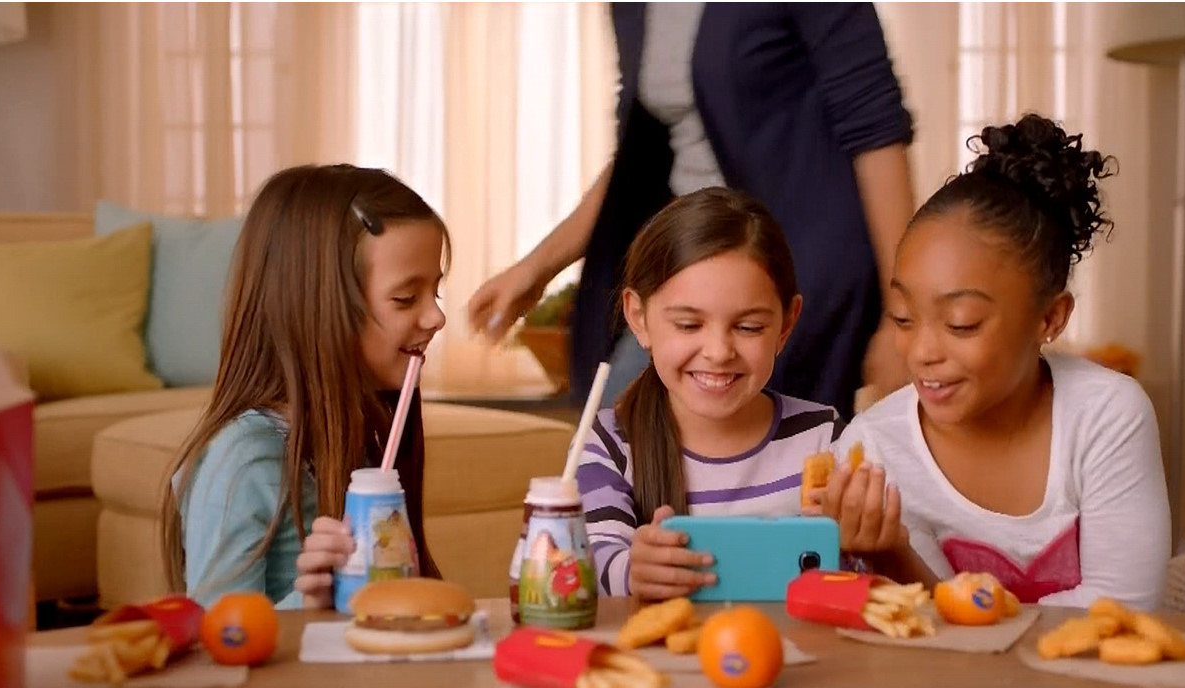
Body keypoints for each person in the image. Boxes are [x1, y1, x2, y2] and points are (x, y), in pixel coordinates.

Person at [467, 3, 916, 419]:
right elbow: (639, 156)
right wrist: (536, 268)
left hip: (798, 273)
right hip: (690, 263)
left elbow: (876, 133)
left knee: (779, 452)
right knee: (617, 434)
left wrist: (903, 314)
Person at [822, 114, 1172, 610]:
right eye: (903, 318)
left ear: (1049, 318)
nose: (921, 352)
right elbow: (934, 630)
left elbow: (1123, 607)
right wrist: (891, 555)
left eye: (961, 323)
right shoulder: (874, 451)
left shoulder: (1106, 416)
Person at [160, 164, 449, 608]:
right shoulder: (243, 462)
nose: (436, 317)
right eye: (406, 298)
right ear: (317, 308)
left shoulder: (359, 438)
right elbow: (218, 637)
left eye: (436, 293)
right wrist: (310, 603)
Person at [578, 187, 873, 602]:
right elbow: (583, 565)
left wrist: (859, 548)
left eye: (748, 327)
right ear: (639, 318)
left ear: (786, 325)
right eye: (688, 325)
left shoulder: (825, 438)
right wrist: (633, 571)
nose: (718, 352)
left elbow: (858, 582)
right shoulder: (608, 443)